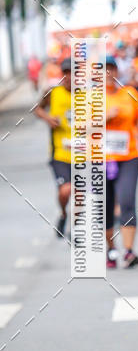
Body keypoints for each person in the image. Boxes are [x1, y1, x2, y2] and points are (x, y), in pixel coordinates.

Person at [105, 55, 138, 269]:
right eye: (103, 70)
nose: (108, 74)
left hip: (128, 156)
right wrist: (103, 117)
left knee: (127, 200)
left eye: (111, 69)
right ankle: (110, 250)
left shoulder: (130, 93)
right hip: (99, 159)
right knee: (105, 206)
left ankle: (129, 251)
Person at [33, 55, 73, 238]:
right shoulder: (53, 92)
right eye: (66, 73)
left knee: (78, 191)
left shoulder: (88, 94)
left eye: (74, 73)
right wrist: (48, 119)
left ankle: (77, 228)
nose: (70, 77)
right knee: (65, 191)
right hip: (59, 153)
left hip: (83, 152)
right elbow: (37, 108)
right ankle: (64, 213)